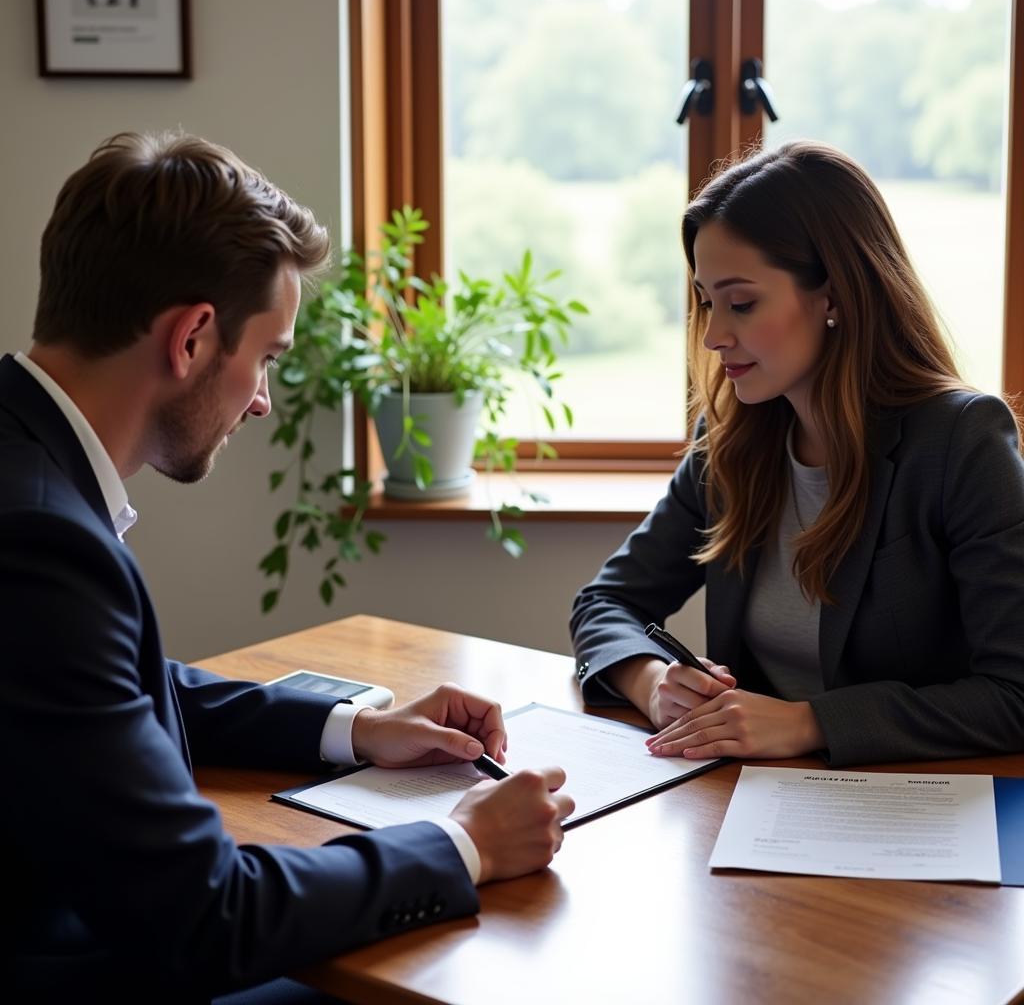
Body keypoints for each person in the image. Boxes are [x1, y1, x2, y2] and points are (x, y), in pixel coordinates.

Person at [0, 131, 574, 1004]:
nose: (264, 401)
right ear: (193, 337)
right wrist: (466, 844)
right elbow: (208, 916)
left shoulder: (22, 465)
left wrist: (356, 728)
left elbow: (111, 688)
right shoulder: (43, 543)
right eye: (266, 358)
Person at [571, 140, 1024, 769]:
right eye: (707, 300)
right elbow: (605, 602)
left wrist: (809, 723)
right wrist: (652, 683)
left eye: (742, 302)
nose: (713, 334)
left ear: (834, 295)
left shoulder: (961, 441)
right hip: (748, 802)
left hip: (916, 810)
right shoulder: (727, 441)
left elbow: (1014, 694)